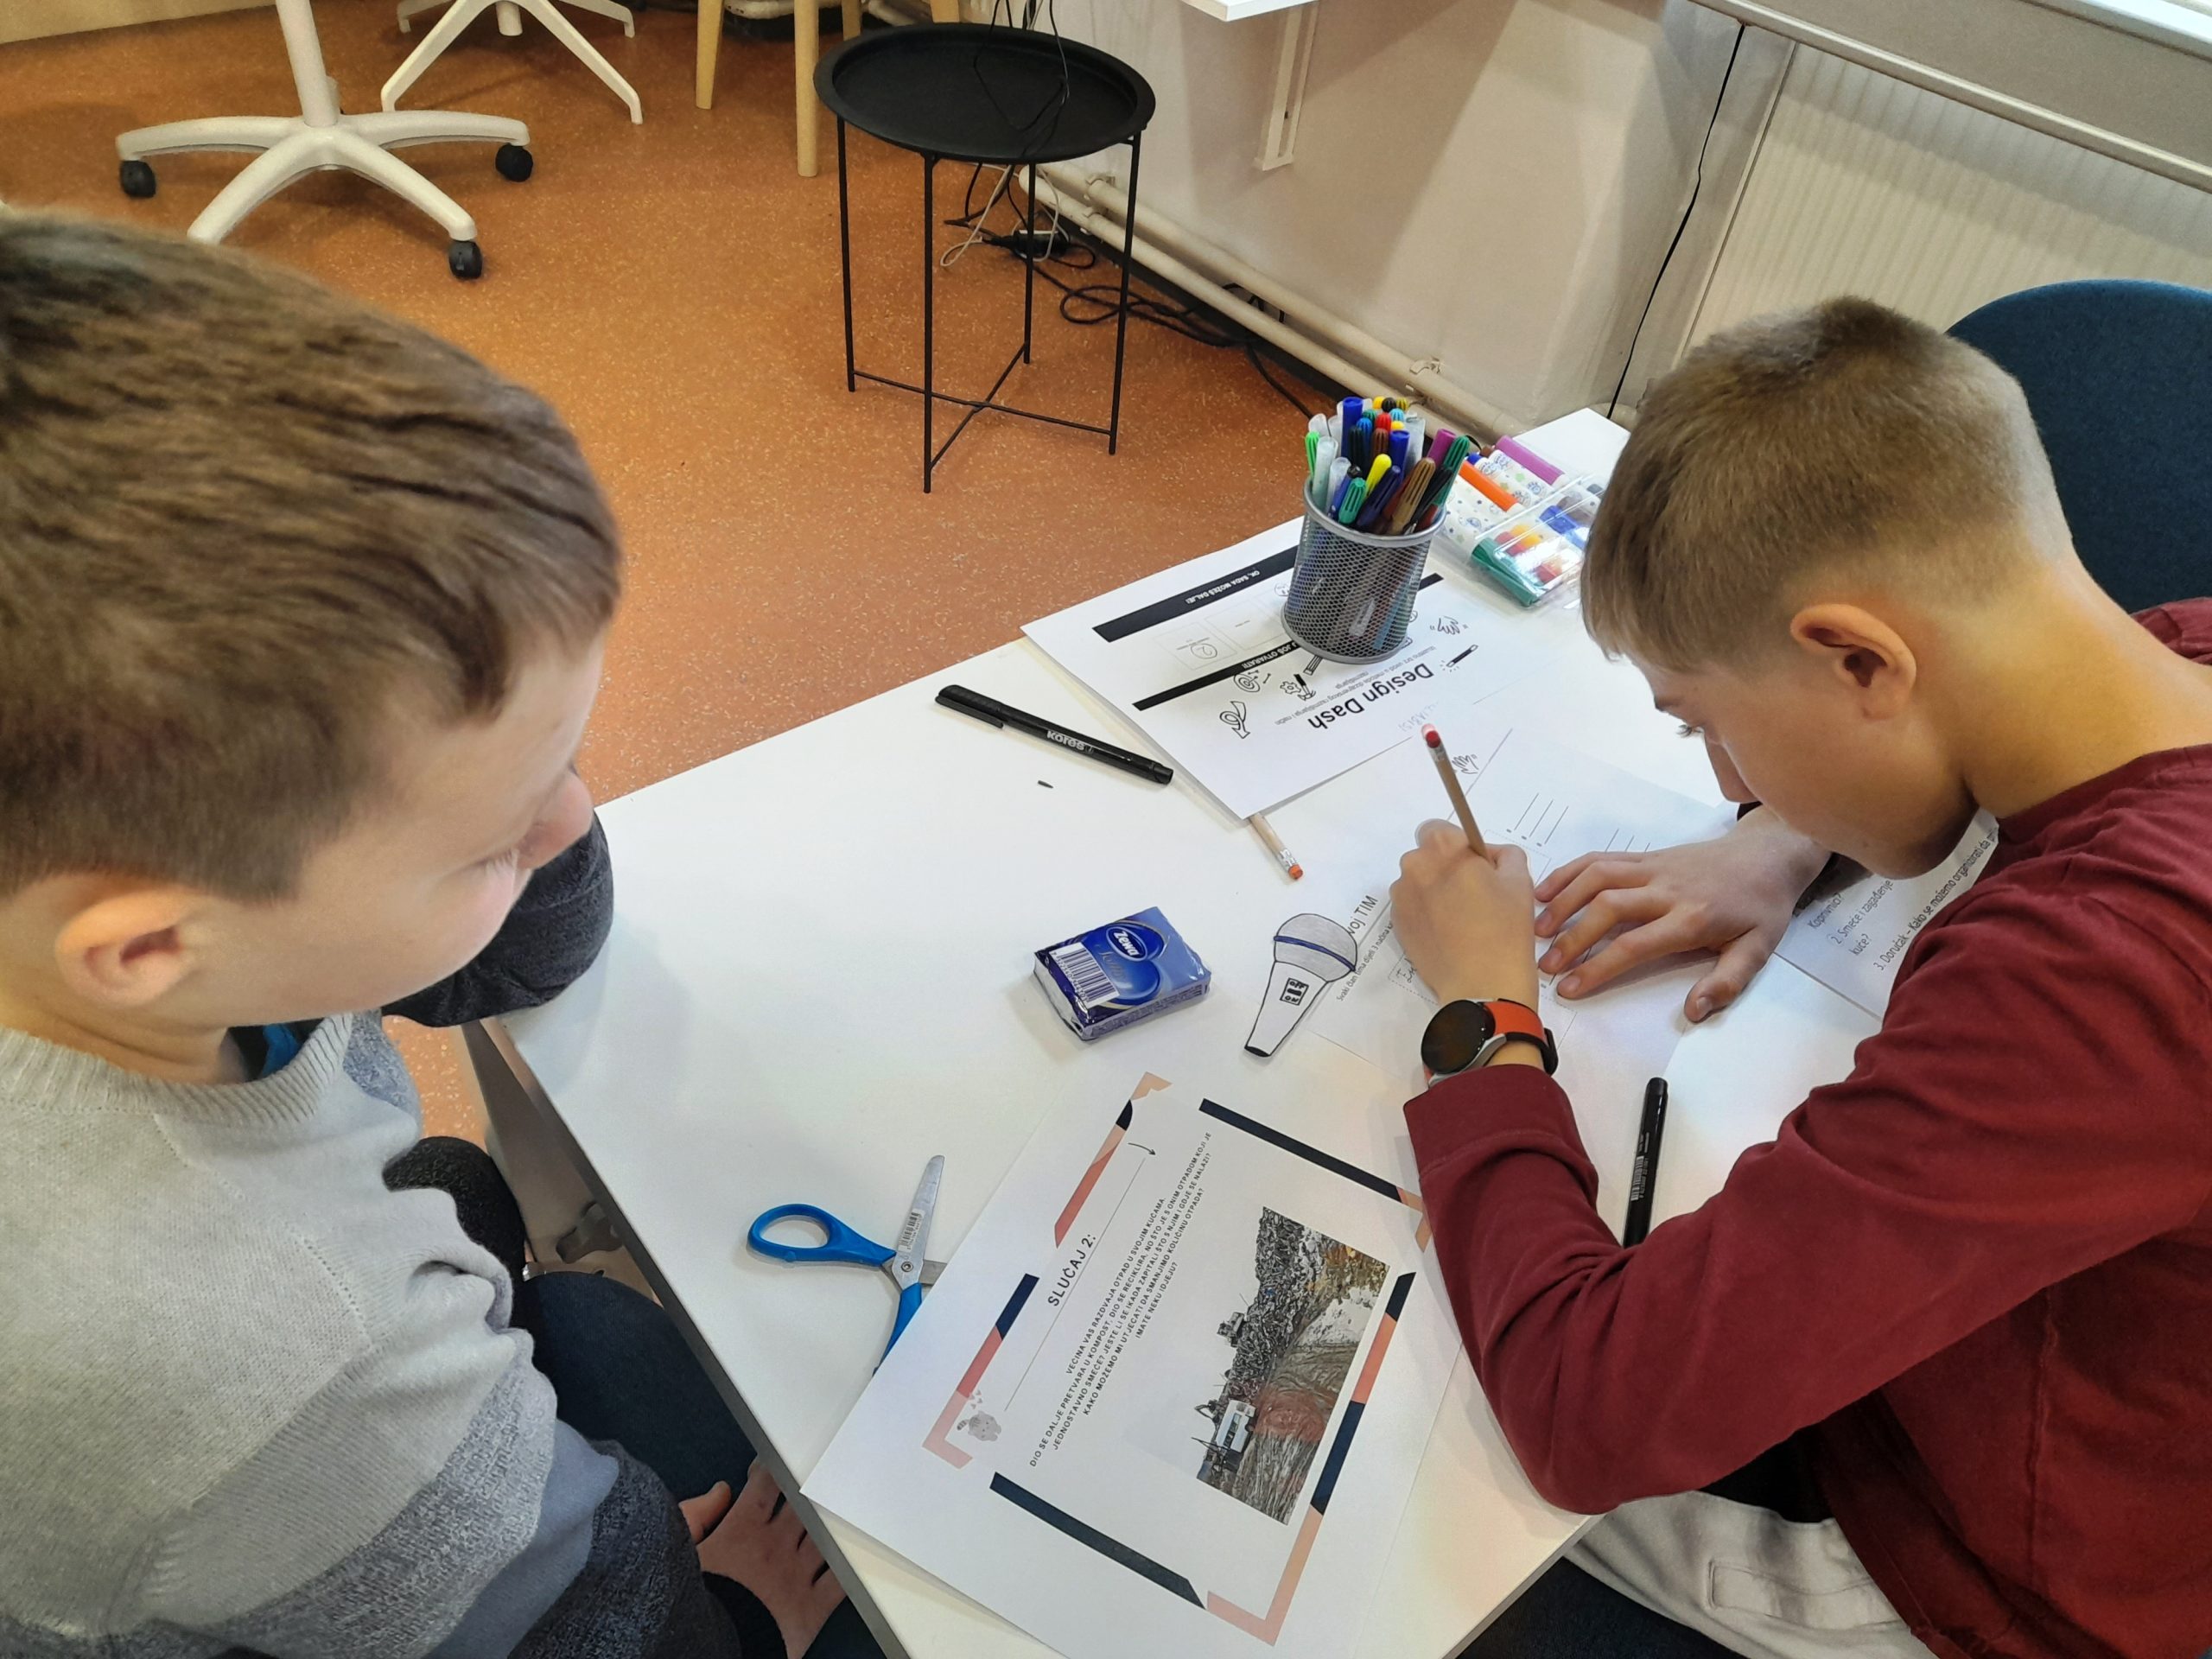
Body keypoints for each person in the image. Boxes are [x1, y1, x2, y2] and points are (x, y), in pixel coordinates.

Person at [0, 216, 860, 1658]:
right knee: (671, 1399)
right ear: (149, 953)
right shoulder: (294, 1363)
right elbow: (583, 1626)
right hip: (318, 1497)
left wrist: (509, 798)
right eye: (492, 835)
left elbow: (518, 962)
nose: (573, 815)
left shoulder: (115, 910)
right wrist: (723, 1616)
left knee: (466, 1196)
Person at [1389, 299, 2212, 1659]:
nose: (1722, 777)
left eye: (1706, 726)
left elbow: (1586, 1407)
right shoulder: (2175, 651)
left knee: (1410, 1436)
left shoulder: (2106, 978)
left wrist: (1487, 1018)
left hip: (1997, 1577)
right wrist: (1786, 834)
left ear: (1858, 660)